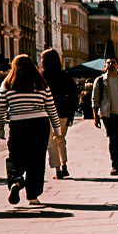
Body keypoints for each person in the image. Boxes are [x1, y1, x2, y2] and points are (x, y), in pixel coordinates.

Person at [0, 54, 61, 207]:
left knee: (15, 156)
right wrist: (57, 128)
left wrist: (0, 129)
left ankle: (15, 180)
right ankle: (33, 195)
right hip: (39, 124)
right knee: (37, 160)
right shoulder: (40, 83)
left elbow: (0, 109)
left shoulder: (7, 84)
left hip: (18, 124)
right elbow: (51, 107)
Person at [41, 49, 78, 179]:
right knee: (60, 139)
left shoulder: (42, 77)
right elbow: (74, 95)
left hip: (48, 112)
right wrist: (71, 113)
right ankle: (64, 164)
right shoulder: (65, 76)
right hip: (64, 112)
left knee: (51, 141)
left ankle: (58, 169)